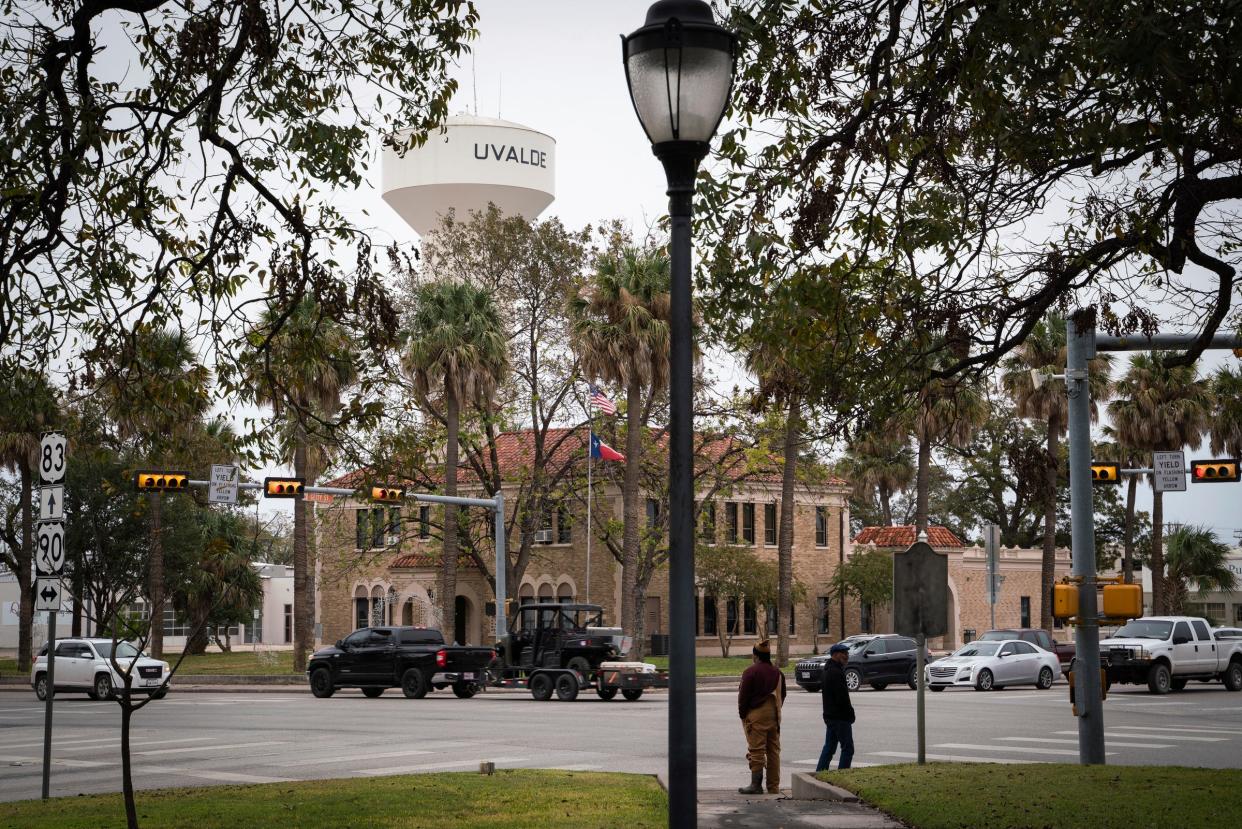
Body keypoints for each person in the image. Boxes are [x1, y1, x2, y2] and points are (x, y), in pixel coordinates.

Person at [736, 638, 787, 795]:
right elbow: (782, 694)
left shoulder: (750, 672)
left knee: (757, 750)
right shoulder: (778, 673)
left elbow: (743, 697)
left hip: (756, 714)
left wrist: (743, 714)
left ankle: (756, 785)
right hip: (774, 714)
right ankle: (773, 787)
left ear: (755, 656)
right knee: (773, 751)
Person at [816, 642, 856, 771]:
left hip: (830, 716)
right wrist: (850, 714)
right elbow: (842, 698)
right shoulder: (836, 672)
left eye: (847, 653)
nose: (847, 656)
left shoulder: (828, 669)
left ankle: (820, 772)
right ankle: (842, 773)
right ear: (836, 654)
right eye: (844, 653)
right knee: (847, 748)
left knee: (829, 747)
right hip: (840, 717)